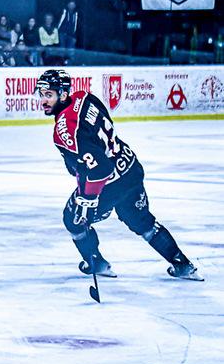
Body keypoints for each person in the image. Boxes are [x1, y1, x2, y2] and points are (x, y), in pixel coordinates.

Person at [36, 69, 202, 281]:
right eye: (41, 95)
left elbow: (101, 170)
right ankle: (183, 264)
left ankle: (97, 263)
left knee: (73, 220)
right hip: (130, 167)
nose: (43, 100)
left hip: (109, 184)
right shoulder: (85, 97)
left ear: (63, 94)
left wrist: (88, 199)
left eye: (49, 95)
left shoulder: (65, 131)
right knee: (142, 221)